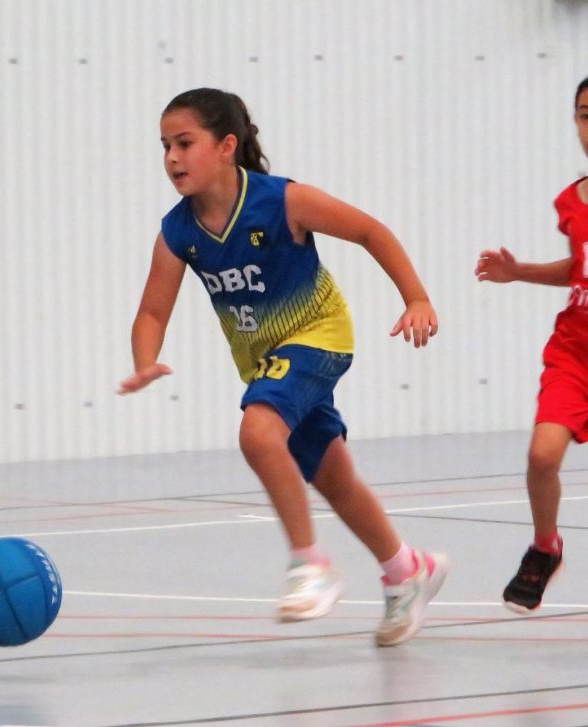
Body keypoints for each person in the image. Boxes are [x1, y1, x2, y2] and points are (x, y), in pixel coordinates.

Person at [119, 87, 448, 646]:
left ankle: (309, 563)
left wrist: (415, 297)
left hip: (319, 335)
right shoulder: (178, 232)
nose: (171, 157)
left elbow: (370, 231)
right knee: (333, 477)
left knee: (257, 431)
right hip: (265, 362)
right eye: (165, 146)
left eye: (184, 143)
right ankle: (406, 570)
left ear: (226, 146)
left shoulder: (282, 201)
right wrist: (145, 362)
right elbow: (151, 312)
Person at [475, 76, 588, 614]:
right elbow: (579, 267)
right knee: (542, 455)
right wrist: (518, 272)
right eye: (585, 115)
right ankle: (546, 547)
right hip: (575, 349)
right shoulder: (572, 200)